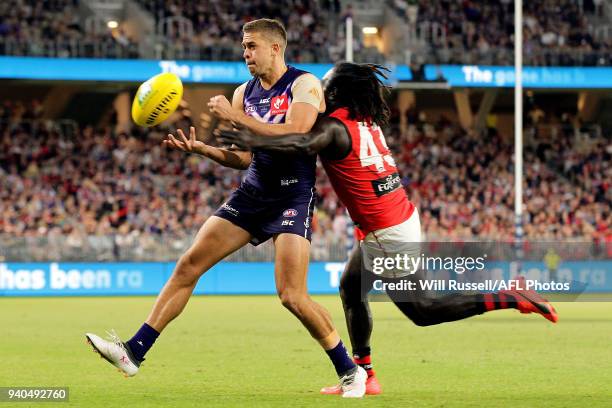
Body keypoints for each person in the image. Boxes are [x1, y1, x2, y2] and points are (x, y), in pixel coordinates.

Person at [219, 62, 559, 396]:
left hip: (388, 232)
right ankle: (363, 372)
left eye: (324, 86)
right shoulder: (363, 121)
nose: (317, 91)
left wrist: (248, 132)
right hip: (394, 220)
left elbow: (299, 143)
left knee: (423, 311)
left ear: (338, 93)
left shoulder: (336, 128)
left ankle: (510, 295)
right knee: (351, 289)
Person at [85, 19, 367, 398]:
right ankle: (134, 351)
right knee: (188, 265)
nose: (245, 53)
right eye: (244, 46)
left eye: (252, 46)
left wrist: (236, 118)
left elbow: (300, 136)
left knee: (291, 295)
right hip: (251, 195)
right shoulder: (244, 93)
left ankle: (350, 372)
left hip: (292, 197)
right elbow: (244, 156)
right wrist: (204, 150)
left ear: (275, 48)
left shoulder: (304, 84)